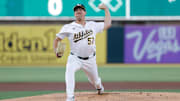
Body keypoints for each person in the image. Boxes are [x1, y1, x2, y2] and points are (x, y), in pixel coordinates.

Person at [53, 3, 111, 101]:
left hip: (90, 59)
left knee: (95, 80)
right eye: (76, 10)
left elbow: (107, 24)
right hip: (75, 57)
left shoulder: (92, 25)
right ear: (74, 14)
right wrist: (56, 51)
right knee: (69, 71)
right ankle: (70, 97)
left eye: (80, 9)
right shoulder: (69, 27)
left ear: (85, 12)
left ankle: (99, 86)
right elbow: (57, 39)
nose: (78, 11)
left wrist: (106, 9)